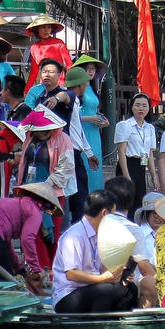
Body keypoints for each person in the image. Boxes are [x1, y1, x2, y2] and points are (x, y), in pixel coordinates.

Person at [0, 182, 60, 295]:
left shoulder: (12, 203)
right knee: (5, 279)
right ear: (44, 205)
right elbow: (27, 239)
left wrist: (19, 268)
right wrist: (36, 269)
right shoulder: (35, 211)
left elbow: (5, 245)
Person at [50, 190, 137, 312]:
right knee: (106, 289)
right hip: (67, 296)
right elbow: (71, 274)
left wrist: (119, 273)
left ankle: (118, 325)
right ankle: (99, 328)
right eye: (113, 215)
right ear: (104, 213)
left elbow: (102, 270)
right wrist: (103, 279)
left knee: (130, 289)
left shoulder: (101, 234)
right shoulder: (75, 235)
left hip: (91, 288)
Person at [103, 177, 160, 307]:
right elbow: (146, 270)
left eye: (160, 213)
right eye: (153, 213)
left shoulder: (95, 223)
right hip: (117, 282)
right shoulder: (135, 230)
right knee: (151, 283)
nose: (157, 217)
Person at [16, 109, 74, 226]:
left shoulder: (63, 139)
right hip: (29, 191)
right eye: (38, 130)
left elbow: (66, 168)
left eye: (44, 130)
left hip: (52, 194)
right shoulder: (29, 137)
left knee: (52, 234)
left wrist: (47, 185)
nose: (41, 133)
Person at [60, 67, 99, 220]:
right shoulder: (69, 96)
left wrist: (89, 153)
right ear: (81, 84)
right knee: (79, 192)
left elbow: (78, 129)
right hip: (70, 152)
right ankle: (77, 224)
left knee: (79, 189)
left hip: (75, 151)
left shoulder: (76, 101)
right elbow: (63, 95)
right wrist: (57, 98)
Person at [115, 92, 159, 211]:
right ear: (132, 107)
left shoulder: (150, 128)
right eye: (137, 105)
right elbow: (121, 152)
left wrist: (154, 176)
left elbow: (149, 153)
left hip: (141, 166)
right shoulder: (124, 125)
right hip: (127, 165)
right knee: (125, 203)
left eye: (144, 105)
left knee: (139, 203)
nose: (141, 108)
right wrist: (126, 176)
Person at [72, 54, 108, 190]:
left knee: (95, 168)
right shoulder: (75, 90)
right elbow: (71, 116)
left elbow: (92, 110)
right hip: (82, 132)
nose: (91, 71)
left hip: (94, 133)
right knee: (85, 168)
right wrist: (89, 119)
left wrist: (102, 119)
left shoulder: (91, 88)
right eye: (87, 69)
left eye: (93, 69)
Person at [24, 14, 71, 89]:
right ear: (37, 29)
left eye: (49, 27)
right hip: (44, 86)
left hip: (59, 85)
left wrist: (72, 85)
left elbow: (69, 65)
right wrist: (26, 90)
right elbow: (34, 72)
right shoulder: (34, 47)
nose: (46, 30)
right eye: (43, 27)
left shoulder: (59, 43)